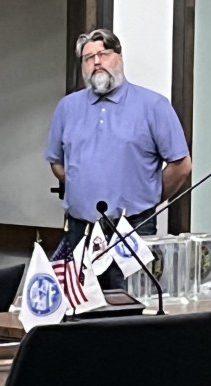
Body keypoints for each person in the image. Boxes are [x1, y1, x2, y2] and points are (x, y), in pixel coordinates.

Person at [44, 28, 191, 289]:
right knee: (80, 310)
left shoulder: (153, 105)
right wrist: (82, 186)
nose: (96, 62)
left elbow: (181, 165)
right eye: (88, 58)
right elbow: (57, 163)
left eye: (103, 54)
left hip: (133, 227)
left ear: (119, 57)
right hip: (81, 230)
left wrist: (147, 197)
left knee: (130, 308)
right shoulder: (67, 107)